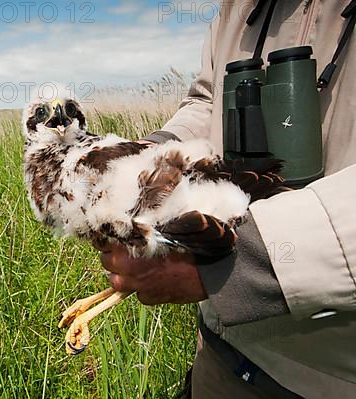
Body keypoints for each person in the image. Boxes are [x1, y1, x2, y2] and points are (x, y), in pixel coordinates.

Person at [93, 1, 356, 398]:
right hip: (221, 350)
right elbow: (207, 101)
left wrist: (229, 262)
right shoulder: (236, 7)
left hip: (332, 377)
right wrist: (146, 160)